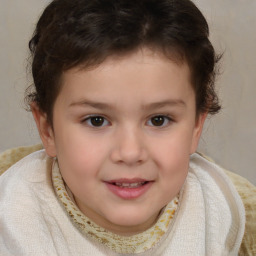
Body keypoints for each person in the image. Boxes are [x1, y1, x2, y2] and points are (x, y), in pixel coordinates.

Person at [0, 0, 254, 255]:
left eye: (158, 120)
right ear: (48, 130)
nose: (130, 152)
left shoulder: (227, 209)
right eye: (96, 120)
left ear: (197, 124)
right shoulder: (16, 217)